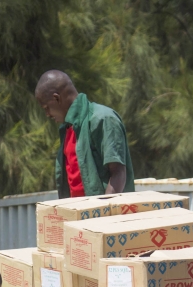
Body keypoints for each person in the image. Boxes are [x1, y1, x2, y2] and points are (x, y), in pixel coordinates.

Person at [34, 70, 135, 198]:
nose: (47, 114)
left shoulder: (103, 119)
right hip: (78, 214)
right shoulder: (66, 129)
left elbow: (118, 173)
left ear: (56, 98)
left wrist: (103, 213)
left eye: (46, 107)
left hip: (103, 214)